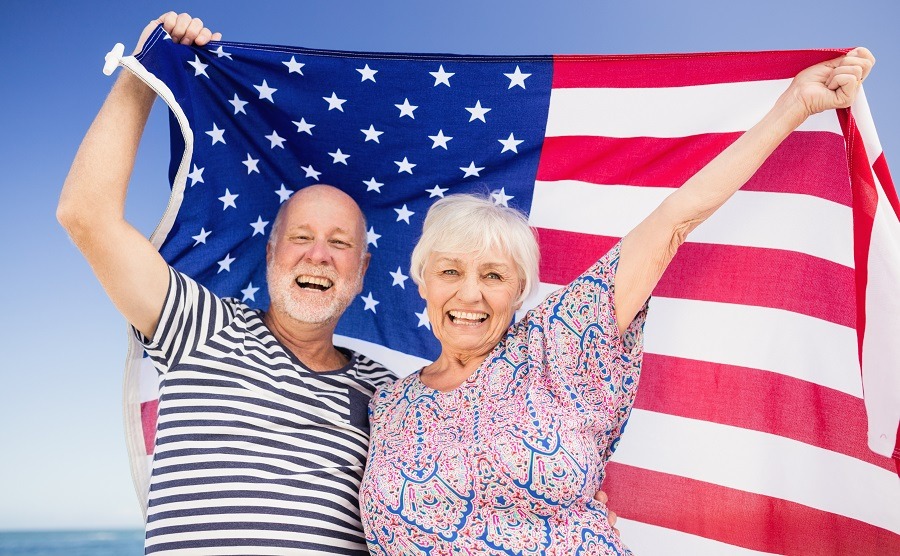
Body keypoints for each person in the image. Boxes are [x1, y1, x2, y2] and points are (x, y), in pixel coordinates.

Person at [58, 12, 619, 555]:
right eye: (301, 237)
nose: (319, 256)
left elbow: (458, 487)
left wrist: (561, 505)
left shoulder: (387, 397)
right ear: (271, 253)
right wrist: (144, 75)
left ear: (363, 270)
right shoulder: (198, 327)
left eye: (340, 243)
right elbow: (85, 215)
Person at [359, 49, 875, 554]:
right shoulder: (386, 405)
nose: (469, 293)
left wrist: (795, 106)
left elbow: (674, 221)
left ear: (519, 290)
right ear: (422, 282)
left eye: (493, 275)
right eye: (450, 271)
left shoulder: (561, 341)